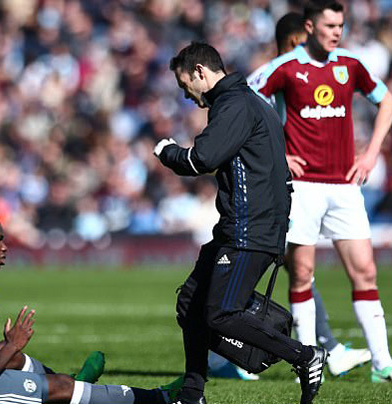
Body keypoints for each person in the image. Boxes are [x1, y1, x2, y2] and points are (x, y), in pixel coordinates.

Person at [154, 42, 326, 404]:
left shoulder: (233, 105)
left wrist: (166, 151)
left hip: (249, 231)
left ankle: (305, 356)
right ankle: (192, 393)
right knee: (190, 304)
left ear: (201, 72)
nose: (187, 95)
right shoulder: (250, 103)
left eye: (186, 85)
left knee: (220, 314)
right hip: (243, 227)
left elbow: (201, 160)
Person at [254, 0, 392, 383]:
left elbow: (387, 102)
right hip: (303, 189)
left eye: (341, 25)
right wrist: (279, 155)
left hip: (344, 187)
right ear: (309, 27)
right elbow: (246, 106)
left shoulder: (350, 65)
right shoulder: (284, 68)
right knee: (302, 274)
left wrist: (372, 153)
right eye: (329, 26)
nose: (336, 32)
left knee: (365, 272)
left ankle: (383, 364)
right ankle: (308, 363)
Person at [0, 212, 181, 404]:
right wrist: (13, 343)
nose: (5, 247)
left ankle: (68, 384)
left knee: (15, 359)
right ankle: (161, 399)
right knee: (62, 387)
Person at [249, 11, 371, 378]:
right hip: (277, 186)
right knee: (272, 265)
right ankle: (244, 354)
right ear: (293, 42)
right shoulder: (281, 76)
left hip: (280, 185)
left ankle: (326, 348)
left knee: (294, 267)